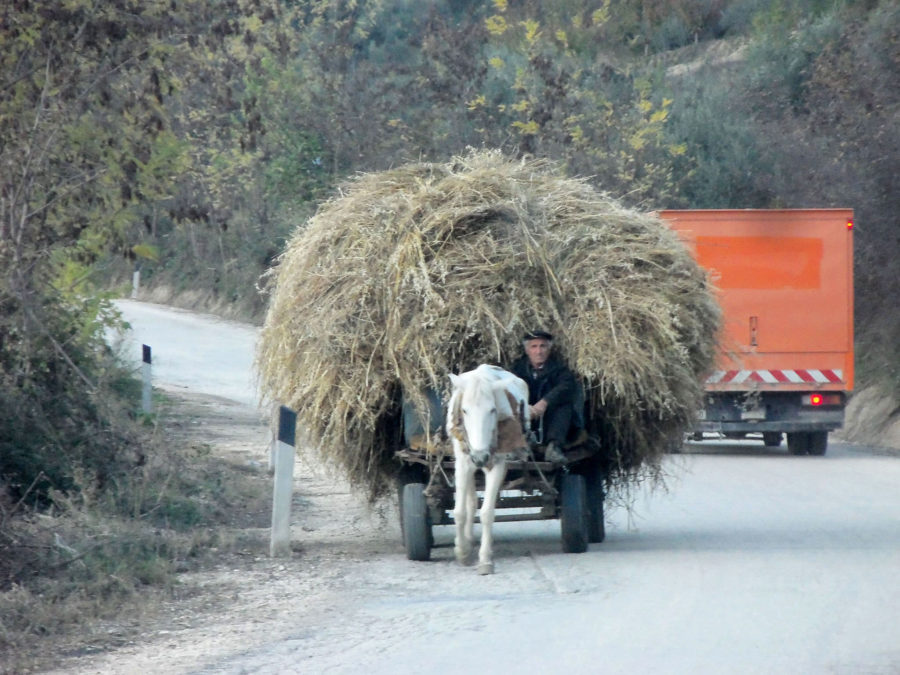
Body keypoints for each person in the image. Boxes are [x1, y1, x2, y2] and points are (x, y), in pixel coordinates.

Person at [510, 330, 577, 464]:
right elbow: (510, 388)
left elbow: (566, 386)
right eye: (534, 347)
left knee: (564, 406)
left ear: (549, 349)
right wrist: (524, 407)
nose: (538, 351)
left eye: (543, 346)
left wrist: (544, 403)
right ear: (527, 350)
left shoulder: (559, 369)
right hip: (526, 414)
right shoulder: (518, 369)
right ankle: (518, 446)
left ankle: (554, 447)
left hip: (550, 421)